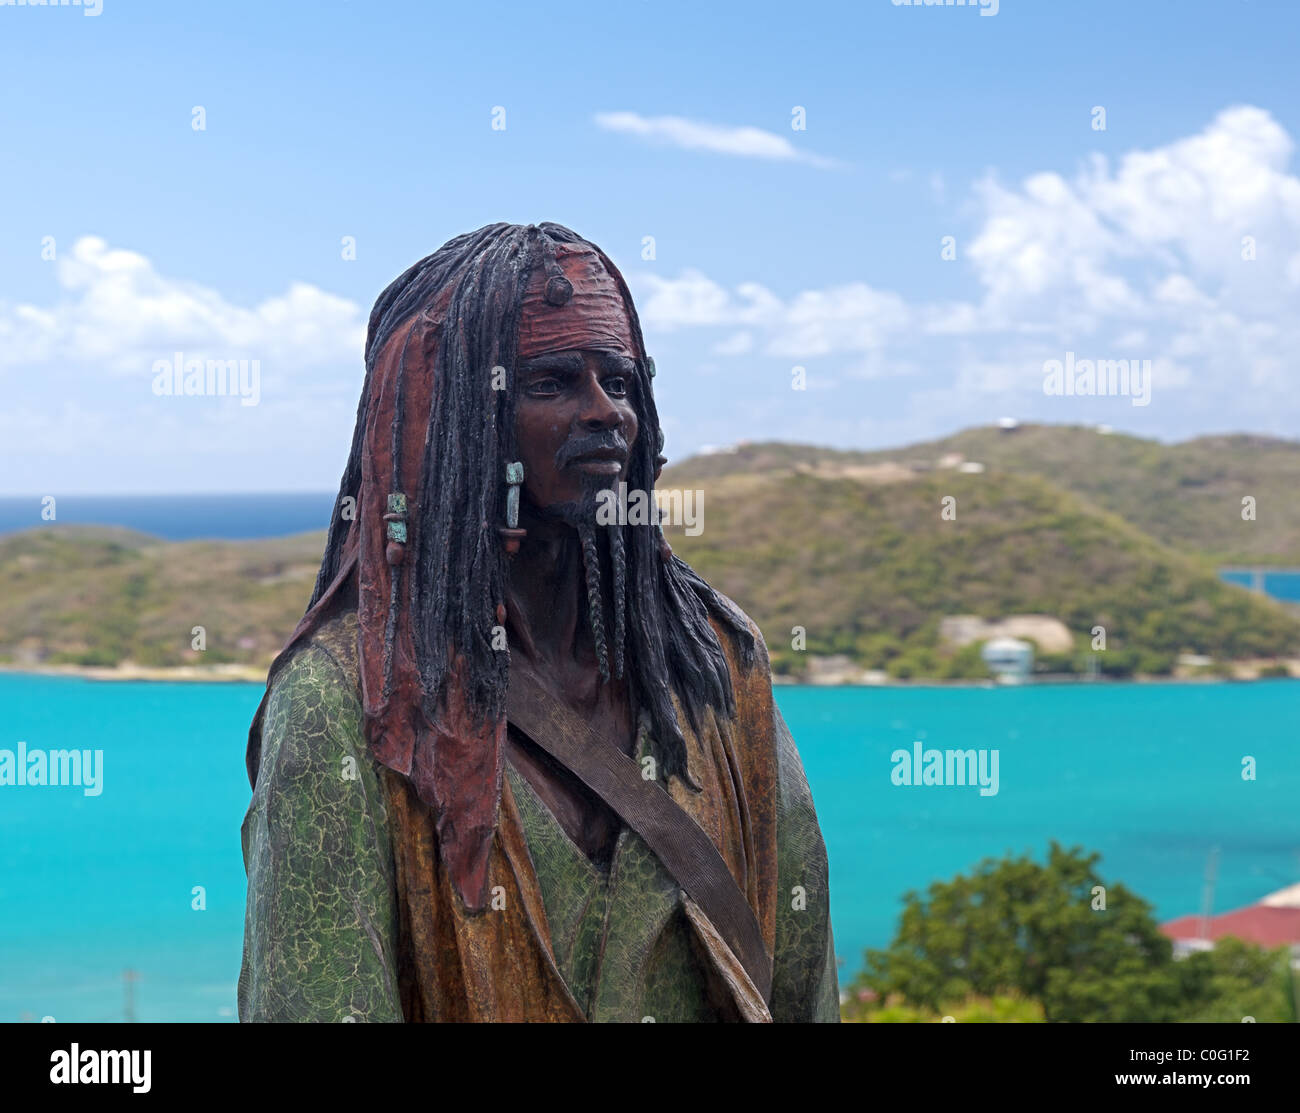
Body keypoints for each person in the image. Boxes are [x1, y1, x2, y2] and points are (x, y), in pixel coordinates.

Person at [238, 222, 838, 1022]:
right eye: (552, 382)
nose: (605, 413)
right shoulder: (341, 702)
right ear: (448, 415)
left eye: (620, 382)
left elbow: (802, 988)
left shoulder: (715, 666)